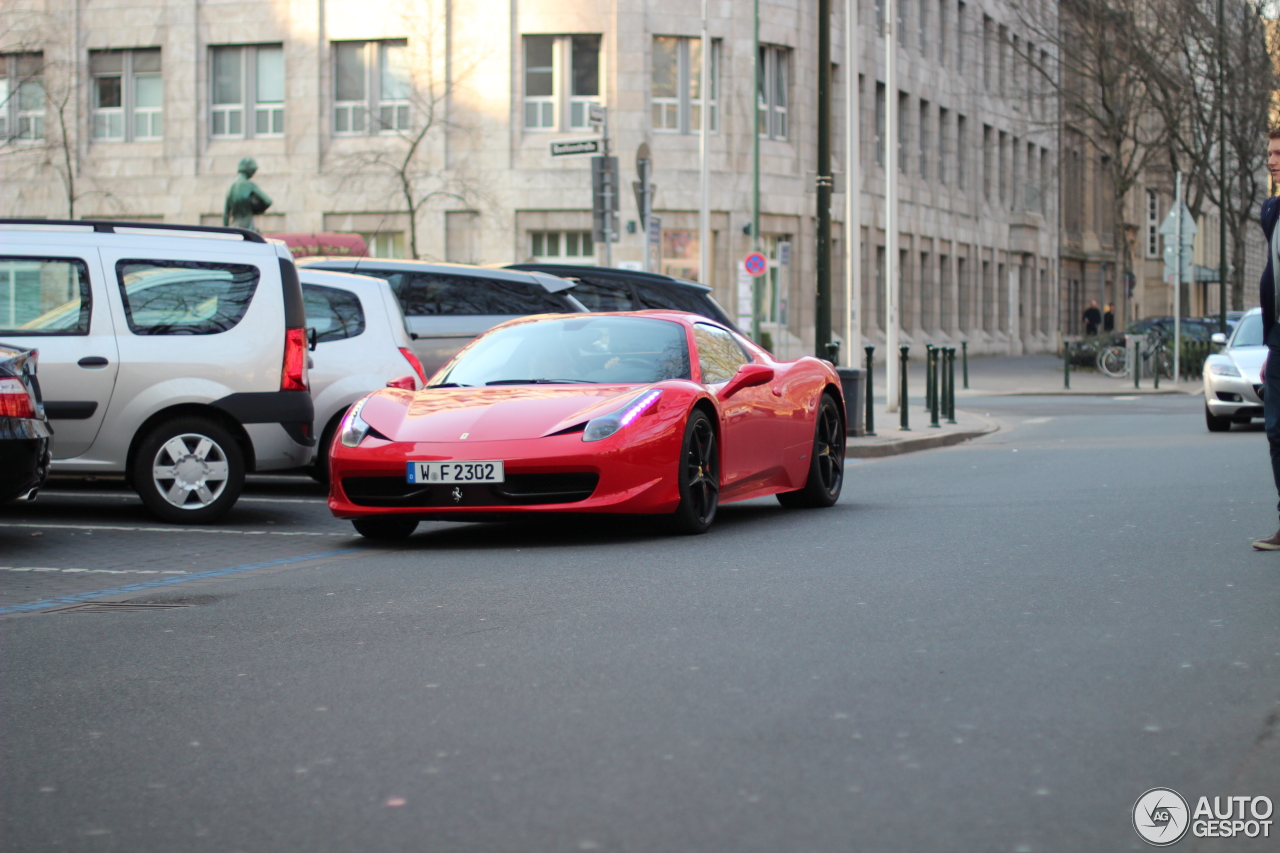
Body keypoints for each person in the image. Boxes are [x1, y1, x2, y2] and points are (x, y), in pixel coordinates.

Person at [1252, 127, 1280, 549]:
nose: (1272, 159)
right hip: (1279, 340)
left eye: (1278, 152)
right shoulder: (1271, 210)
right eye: (1270, 152)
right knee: (1275, 431)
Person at [223, 157, 272, 232]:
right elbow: (268, 201)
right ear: (249, 170)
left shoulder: (231, 188)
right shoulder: (249, 185)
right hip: (248, 228)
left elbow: (226, 215)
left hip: (235, 227)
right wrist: (258, 210)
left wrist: (225, 232)